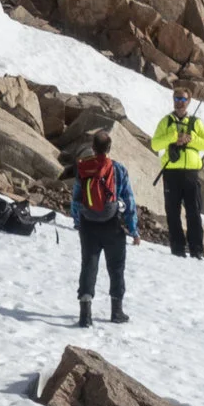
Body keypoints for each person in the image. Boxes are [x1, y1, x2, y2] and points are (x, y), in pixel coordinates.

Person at [64, 129, 137, 326]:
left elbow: (76, 199)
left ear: (93, 147)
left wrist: (78, 221)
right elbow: (129, 200)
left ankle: (85, 315)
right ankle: (117, 312)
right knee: (116, 267)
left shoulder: (84, 167)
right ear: (109, 148)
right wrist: (133, 229)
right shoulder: (118, 169)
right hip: (112, 224)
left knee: (89, 265)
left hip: (88, 225)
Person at [150, 90, 204, 259]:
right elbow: (155, 144)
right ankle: (177, 248)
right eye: (177, 98)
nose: (179, 102)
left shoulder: (195, 123)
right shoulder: (166, 122)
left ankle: (196, 250)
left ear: (188, 101)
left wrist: (190, 139)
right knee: (172, 211)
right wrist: (174, 137)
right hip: (171, 173)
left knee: (194, 211)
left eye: (183, 99)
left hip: (191, 173)